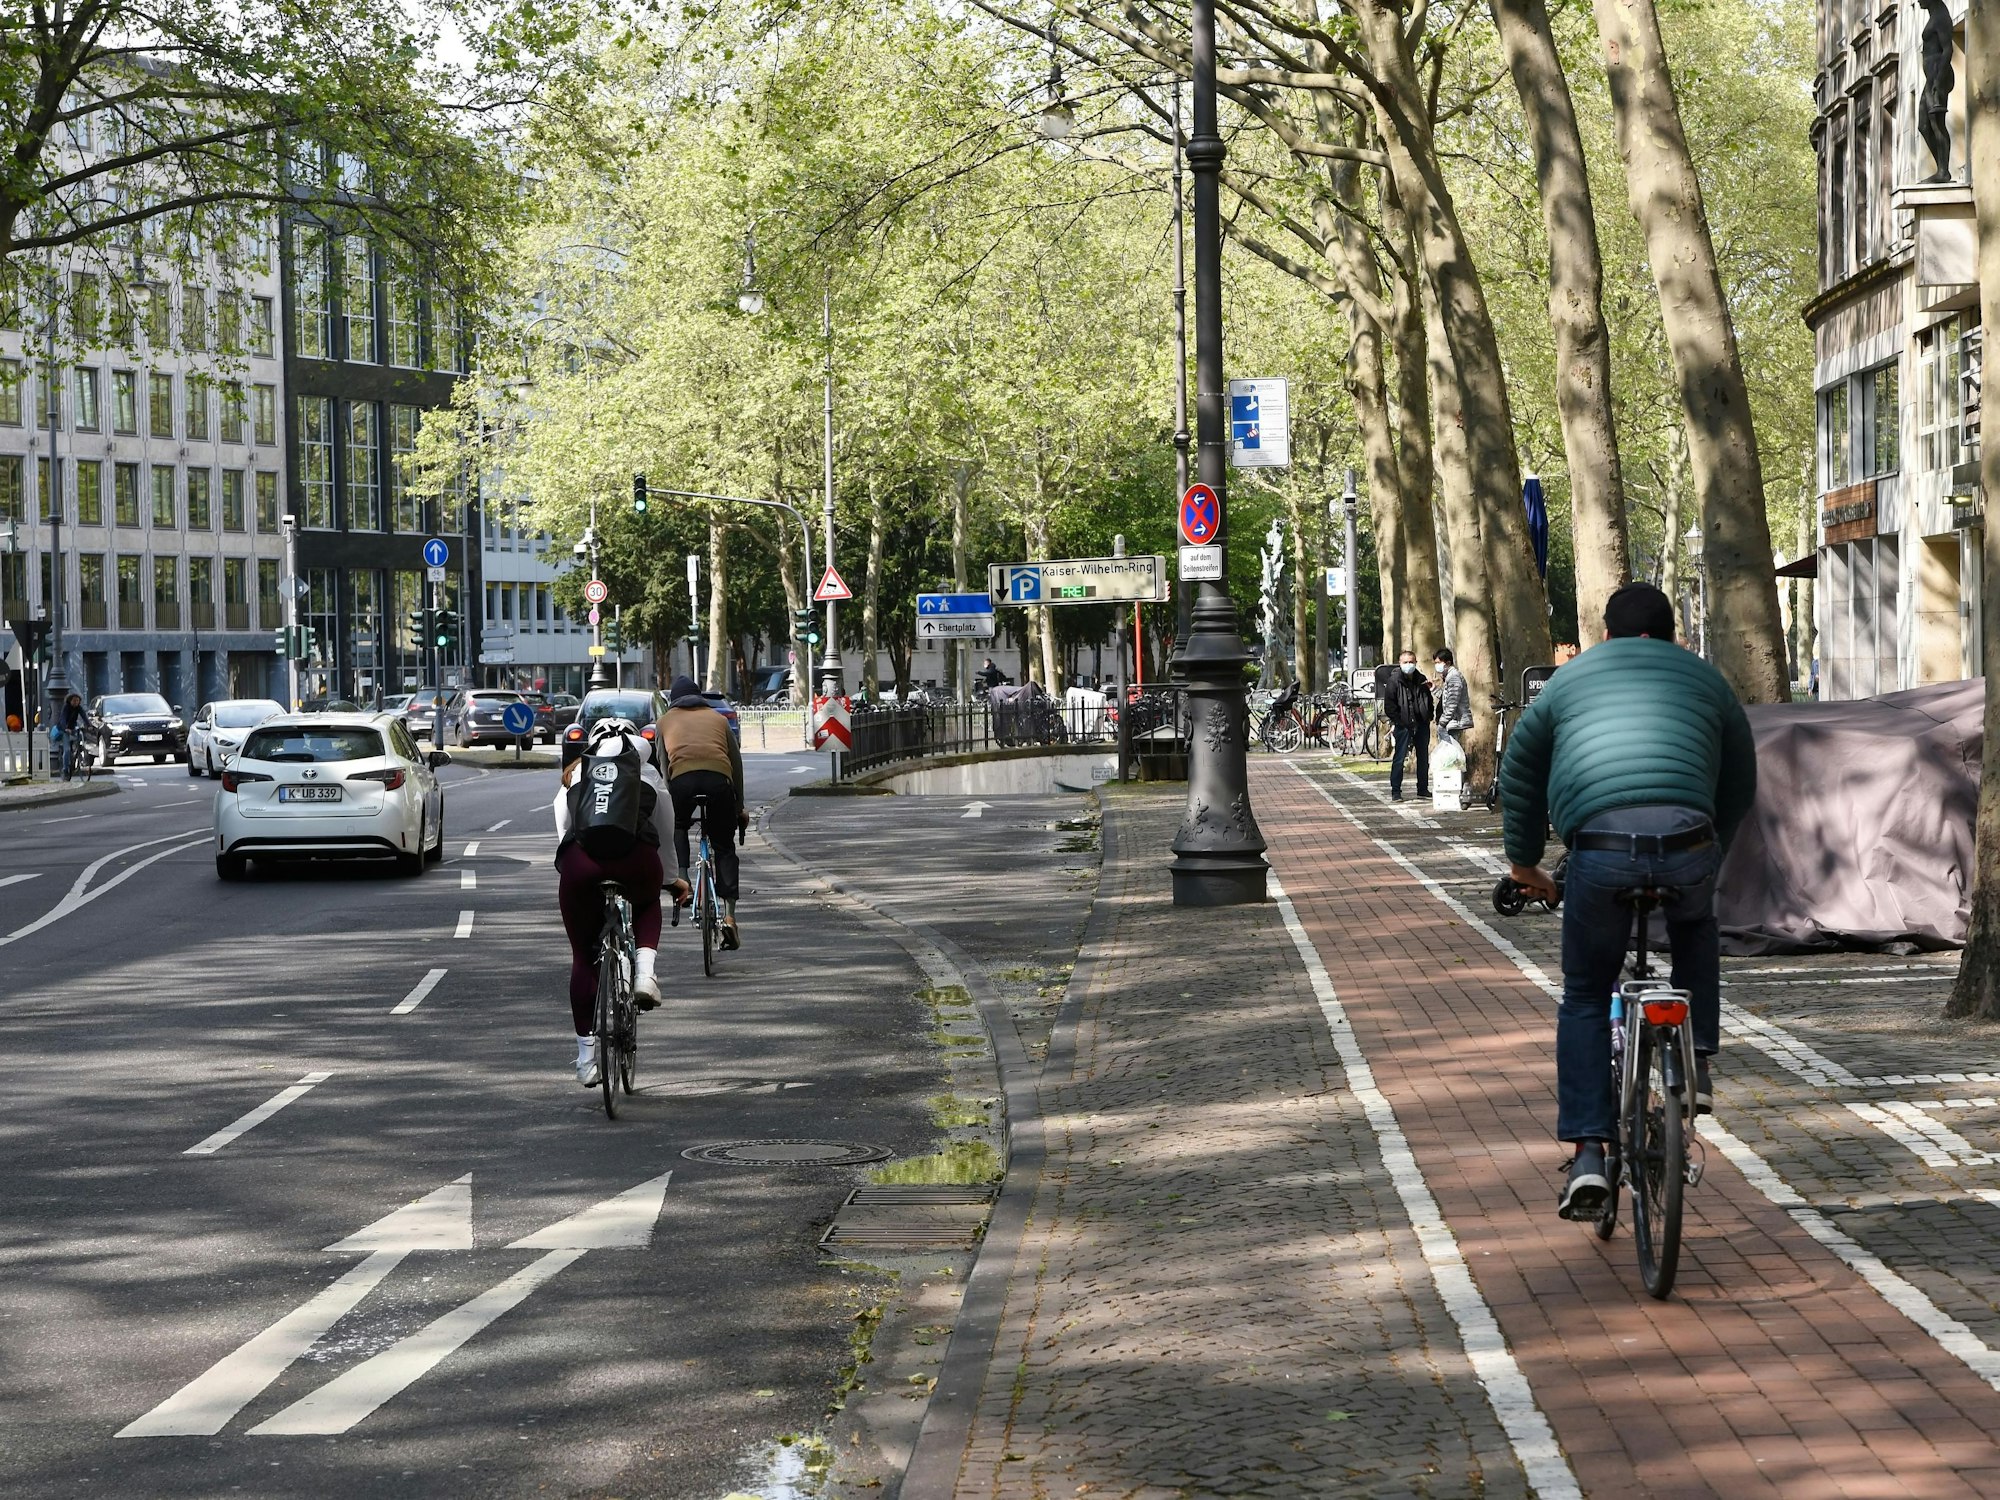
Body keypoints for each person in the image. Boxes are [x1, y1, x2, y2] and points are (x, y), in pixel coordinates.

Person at [1497, 583, 1757, 1221]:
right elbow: (1741, 776)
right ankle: (1696, 1061)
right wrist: (1709, 846)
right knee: (1697, 926)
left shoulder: (1566, 680)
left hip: (1601, 849)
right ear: (1668, 634)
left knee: (1586, 993)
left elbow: (1521, 771)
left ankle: (1589, 1152)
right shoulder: (1706, 678)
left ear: (1605, 635)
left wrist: (1526, 864)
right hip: (1689, 842)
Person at [553, 717, 681, 1087]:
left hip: (581, 863)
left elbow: (563, 827)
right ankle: (644, 974)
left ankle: (585, 1060)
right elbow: (667, 834)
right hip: (635, 859)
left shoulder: (579, 773)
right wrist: (672, 880)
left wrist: (573, 869)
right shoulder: (648, 774)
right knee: (646, 902)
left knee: (582, 955)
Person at [657, 674, 749, 948]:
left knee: (678, 825)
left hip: (682, 782)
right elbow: (736, 764)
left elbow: (664, 770)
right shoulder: (719, 720)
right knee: (724, 847)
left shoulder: (664, 722)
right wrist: (739, 806)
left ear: (674, 701)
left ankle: (682, 877)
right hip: (719, 782)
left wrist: (667, 808)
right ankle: (730, 917)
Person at [1381, 649, 1434, 801]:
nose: (1409, 665)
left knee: (1423, 757)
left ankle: (1422, 789)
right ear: (1400, 663)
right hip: (1403, 725)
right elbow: (1389, 706)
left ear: (1416, 662)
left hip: (1421, 724)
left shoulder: (1421, 679)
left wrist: (1428, 716)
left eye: (1411, 662)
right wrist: (1400, 722)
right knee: (1399, 757)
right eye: (1405, 662)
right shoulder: (1394, 681)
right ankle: (1396, 791)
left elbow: (1427, 699)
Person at [1432, 647, 1471, 740]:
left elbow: (1452, 702)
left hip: (1452, 723)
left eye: (1439, 663)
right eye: (1435, 663)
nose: (1436, 666)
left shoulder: (1454, 677)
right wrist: (1433, 689)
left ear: (1448, 663)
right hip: (1449, 722)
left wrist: (1443, 721)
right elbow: (1446, 697)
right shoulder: (1449, 676)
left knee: (1451, 752)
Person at [57, 692, 88, 780]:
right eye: (74, 700)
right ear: (70, 701)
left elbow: (84, 717)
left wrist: (89, 725)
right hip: (64, 729)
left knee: (79, 739)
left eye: (77, 701)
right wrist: (65, 728)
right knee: (67, 750)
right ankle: (65, 769)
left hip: (73, 728)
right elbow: (62, 719)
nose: (76, 702)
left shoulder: (79, 708)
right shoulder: (66, 707)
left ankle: (76, 754)